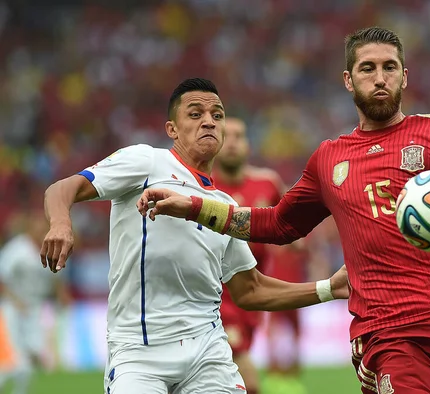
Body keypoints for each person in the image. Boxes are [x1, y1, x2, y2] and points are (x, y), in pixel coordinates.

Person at [136, 27, 430, 394]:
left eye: (389, 67)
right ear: (348, 80)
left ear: (404, 76)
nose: (380, 78)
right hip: (391, 333)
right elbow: (278, 223)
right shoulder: (330, 159)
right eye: (367, 68)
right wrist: (193, 207)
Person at [40, 78, 349, 394]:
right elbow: (62, 188)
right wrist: (61, 224)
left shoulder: (226, 208)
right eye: (195, 114)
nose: (209, 121)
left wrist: (329, 288)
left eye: (217, 115)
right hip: (139, 351)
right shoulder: (147, 161)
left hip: (207, 354)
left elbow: (251, 290)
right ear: (172, 129)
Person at [213, 117, 307, 394]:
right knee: (249, 383)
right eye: (225, 136)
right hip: (214, 299)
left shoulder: (267, 182)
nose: (231, 142)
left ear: (247, 144)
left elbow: (289, 224)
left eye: (238, 136)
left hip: (250, 299)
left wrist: (295, 243)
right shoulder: (204, 187)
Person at [0, 211, 70, 394]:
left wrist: (61, 296)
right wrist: (15, 301)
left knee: (33, 351)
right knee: (15, 353)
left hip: (35, 307)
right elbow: (3, 277)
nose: (41, 232)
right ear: (30, 229)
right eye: (38, 229)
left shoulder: (51, 250)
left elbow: (56, 278)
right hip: (13, 306)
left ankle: (20, 390)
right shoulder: (17, 249)